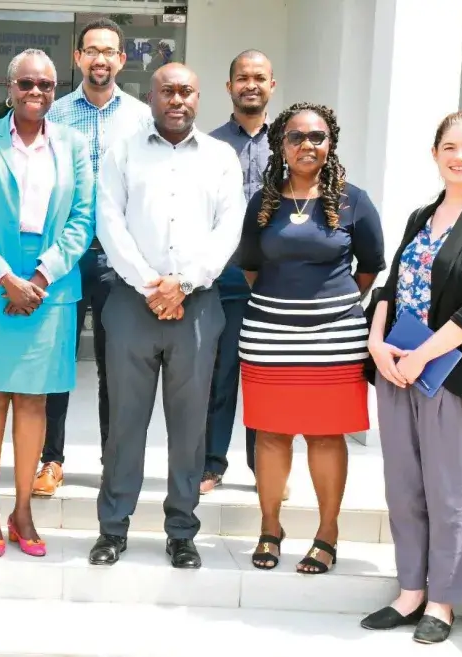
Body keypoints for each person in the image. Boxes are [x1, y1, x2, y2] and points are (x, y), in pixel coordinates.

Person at [361, 111, 462, 644]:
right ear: (435, 153)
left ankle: (443, 601)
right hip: (396, 371)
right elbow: (389, 286)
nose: (459, 157)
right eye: (450, 147)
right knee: (403, 487)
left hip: (449, 374)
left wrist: (420, 355)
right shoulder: (421, 216)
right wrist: (377, 343)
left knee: (445, 494)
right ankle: (409, 593)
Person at [92, 63, 244, 569]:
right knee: (125, 425)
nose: (176, 99)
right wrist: (150, 283)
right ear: (150, 96)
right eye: (166, 91)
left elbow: (229, 228)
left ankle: (182, 531)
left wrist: (186, 282)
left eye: (185, 91)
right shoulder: (123, 152)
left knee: (189, 428)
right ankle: (113, 529)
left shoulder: (221, 158)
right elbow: (108, 221)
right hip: (133, 304)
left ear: (198, 97)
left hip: (197, 307)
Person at [0, 48, 94, 558]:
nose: (36, 93)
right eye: (27, 83)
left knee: (34, 401)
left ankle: (23, 507)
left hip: (49, 286)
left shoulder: (73, 144)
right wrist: (6, 278)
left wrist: (38, 277)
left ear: (57, 91)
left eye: (47, 86)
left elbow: (82, 219)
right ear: (10, 87)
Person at [232, 102, 386, 574]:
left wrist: (326, 306)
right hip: (269, 335)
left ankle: (327, 532)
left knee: (325, 435)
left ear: (330, 144)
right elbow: (251, 266)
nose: (306, 145)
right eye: (296, 137)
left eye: (316, 137)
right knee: (272, 435)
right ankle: (270, 527)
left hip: (334, 338)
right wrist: (284, 305)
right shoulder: (264, 203)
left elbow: (370, 267)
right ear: (281, 144)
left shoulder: (354, 201)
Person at [34, 17, 152, 497]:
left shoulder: (143, 117)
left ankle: (112, 461)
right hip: (64, 255)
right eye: (91, 50)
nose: (100, 58)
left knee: (114, 364)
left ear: (122, 60)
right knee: (57, 358)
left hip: (117, 259)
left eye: (109, 51)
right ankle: (51, 459)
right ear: (77, 58)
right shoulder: (55, 115)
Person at [202, 49, 276, 496]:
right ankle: (211, 464)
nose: (251, 84)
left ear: (272, 85)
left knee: (266, 378)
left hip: (274, 285)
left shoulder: (289, 145)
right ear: (228, 87)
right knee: (220, 375)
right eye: (243, 78)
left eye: (260, 77)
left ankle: (263, 466)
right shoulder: (207, 146)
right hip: (223, 280)